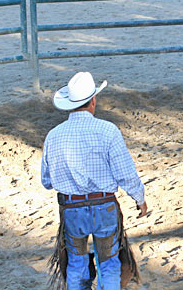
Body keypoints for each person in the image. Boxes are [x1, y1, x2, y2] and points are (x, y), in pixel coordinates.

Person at [41, 71, 148, 290]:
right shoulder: (108, 131)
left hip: (71, 208)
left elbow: (47, 180)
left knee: (76, 263)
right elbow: (125, 173)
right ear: (93, 101)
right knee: (109, 263)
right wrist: (140, 198)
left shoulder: (54, 135)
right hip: (104, 207)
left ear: (70, 104)